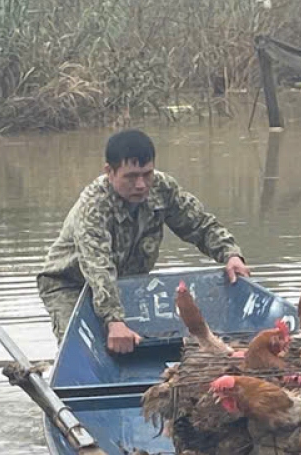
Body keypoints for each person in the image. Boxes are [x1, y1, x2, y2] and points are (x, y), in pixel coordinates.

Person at [37, 129, 250, 353]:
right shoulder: (93, 207)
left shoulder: (162, 188)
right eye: (130, 177)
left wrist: (231, 254)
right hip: (70, 283)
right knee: (83, 350)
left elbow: (199, 224)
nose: (141, 185)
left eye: (146, 174)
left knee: (139, 343)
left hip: (126, 282)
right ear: (109, 172)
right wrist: (114, 321)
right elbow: (97, 266)